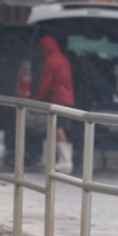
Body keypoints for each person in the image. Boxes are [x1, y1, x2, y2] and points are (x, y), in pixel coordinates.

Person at [31, 35, 75, 174]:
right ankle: (55, 159)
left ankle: (65, 160)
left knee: (57, 127)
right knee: (57, 127)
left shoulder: (49, 61)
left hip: (58, 98)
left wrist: (36, 99)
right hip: (68, 97)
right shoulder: (62, 59)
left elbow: (45, 83)